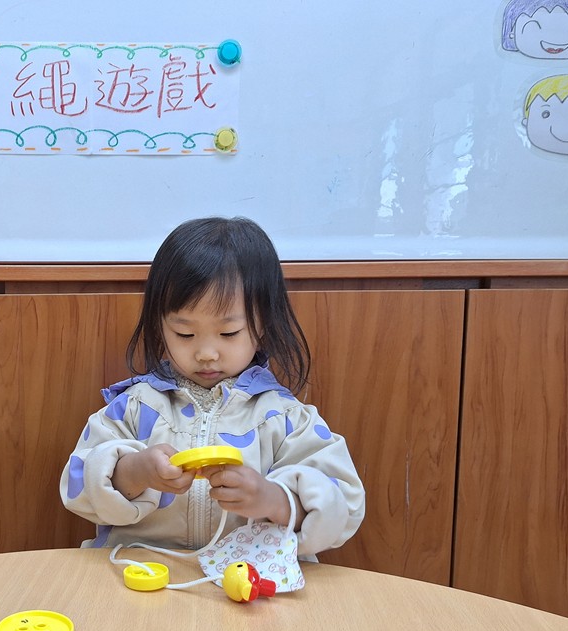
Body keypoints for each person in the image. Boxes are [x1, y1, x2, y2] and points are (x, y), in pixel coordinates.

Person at [60, 216, 365, 558]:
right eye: (185, 334)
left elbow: (345, 506)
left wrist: (273, 499)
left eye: (229, 333)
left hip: (248, 579)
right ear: (160, 327)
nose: (206, 353)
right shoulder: (134, 408)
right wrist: (135, 472)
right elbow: (76, 487)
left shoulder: (286, 418)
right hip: (139, 572)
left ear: (263, 324)